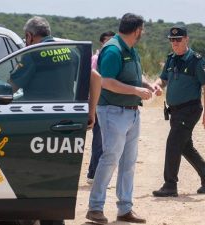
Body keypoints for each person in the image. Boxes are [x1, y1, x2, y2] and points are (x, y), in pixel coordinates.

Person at [10, 16, 102, 225]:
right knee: (56, 178)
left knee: (29, 176)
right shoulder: (70, 50)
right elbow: (95, 77)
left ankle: (29, 217)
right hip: (65, 121)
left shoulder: (33, 53)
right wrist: (91, 112)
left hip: (34, 122)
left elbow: (12, 87)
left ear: (29, 36)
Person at [86, 13, 161, 224]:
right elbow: (106, 82)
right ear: (137, 30)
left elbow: (136, 77)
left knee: (128, 163)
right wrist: (136, 90)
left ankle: (125, 209)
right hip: (113, 112)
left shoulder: (131, 50)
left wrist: (147, 85)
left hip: (131, 113)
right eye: (142, 30)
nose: (143, 33)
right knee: (110, 159)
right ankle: (95, 208)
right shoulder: (113, 49)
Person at [152, 24, 205, 197]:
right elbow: (163, 78)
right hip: (175, 111)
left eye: (178, 39)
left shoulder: (195, 60)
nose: (174, 43)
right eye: (172, 40)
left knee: (173, 143)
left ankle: (170, 185)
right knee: (184, 145)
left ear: (186, 39)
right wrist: (156, 86)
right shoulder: (171, 58)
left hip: (190, 109)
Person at [87, 31, 115, 184]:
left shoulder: (111, 59)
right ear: (101, 43)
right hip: (97, 103)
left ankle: (95, 173)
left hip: (107, 103)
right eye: (107, 41)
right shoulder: (96, 59)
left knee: (104, 140)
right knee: (99, 140)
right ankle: (94, 174)